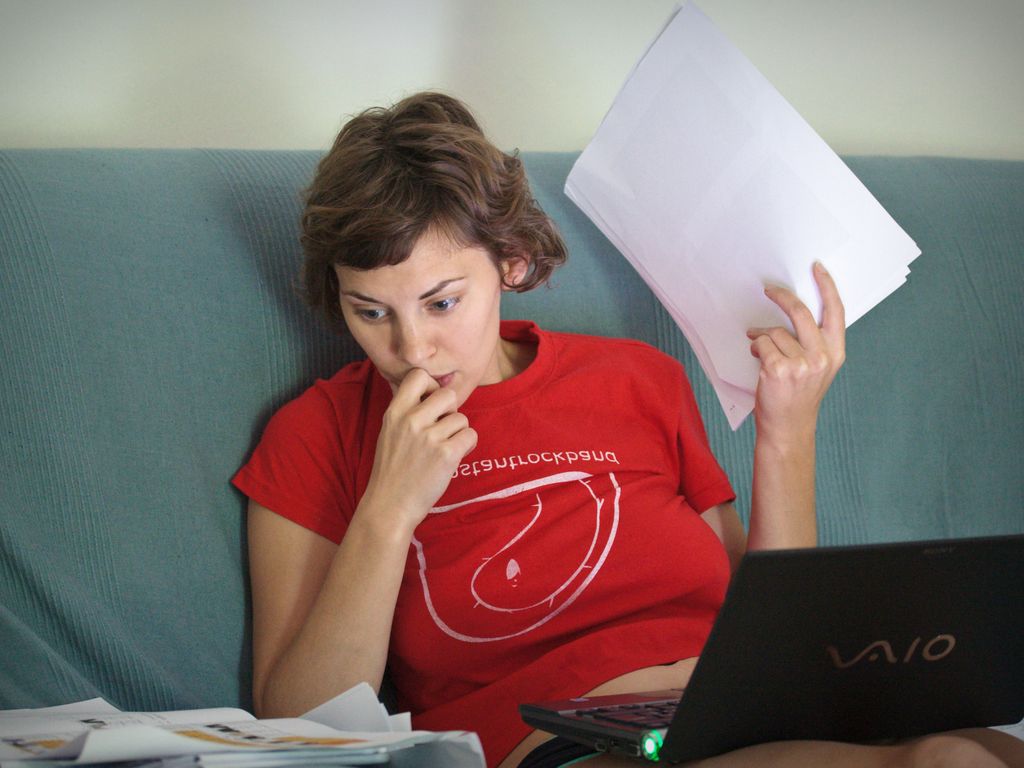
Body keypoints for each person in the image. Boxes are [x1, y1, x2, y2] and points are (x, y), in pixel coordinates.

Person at [233, 92, 1022, 768]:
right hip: (567, 748)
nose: (411, 350)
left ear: (510, 260)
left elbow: (777, 639)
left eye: (442, 303)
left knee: (964, 750)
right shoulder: (318, 433)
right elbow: (300, 724)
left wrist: (790, 428)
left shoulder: (637, 379)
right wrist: (390, 509)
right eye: (370, 312)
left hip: (745, 716)